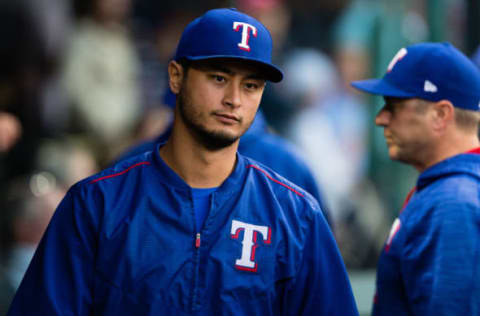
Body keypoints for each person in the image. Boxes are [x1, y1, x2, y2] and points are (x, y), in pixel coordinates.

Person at [8, 8, 358, 315]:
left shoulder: (295, 214)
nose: (234, 99)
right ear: (176, 76)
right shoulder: (97, 203)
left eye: (251, 85)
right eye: (218, 78)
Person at [351, 42, 480, 315]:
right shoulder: (451, 190)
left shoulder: (453, 203)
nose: (380, 119)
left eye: (394, 105)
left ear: (441, 115)